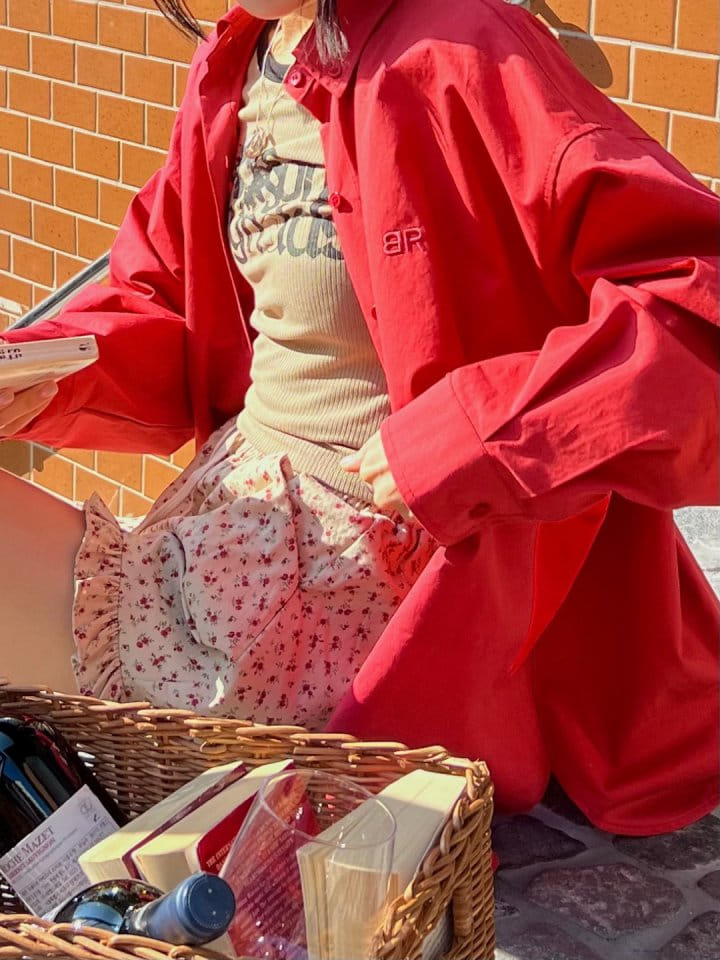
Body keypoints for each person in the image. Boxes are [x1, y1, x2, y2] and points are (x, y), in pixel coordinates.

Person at [0, 0, 718, 835]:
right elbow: (171, 304)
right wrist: (46, 373)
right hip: (230, 526)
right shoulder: (235, 68)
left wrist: (482, 434)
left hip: (376, 577)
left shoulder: (463, 45)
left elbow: (697, 304)